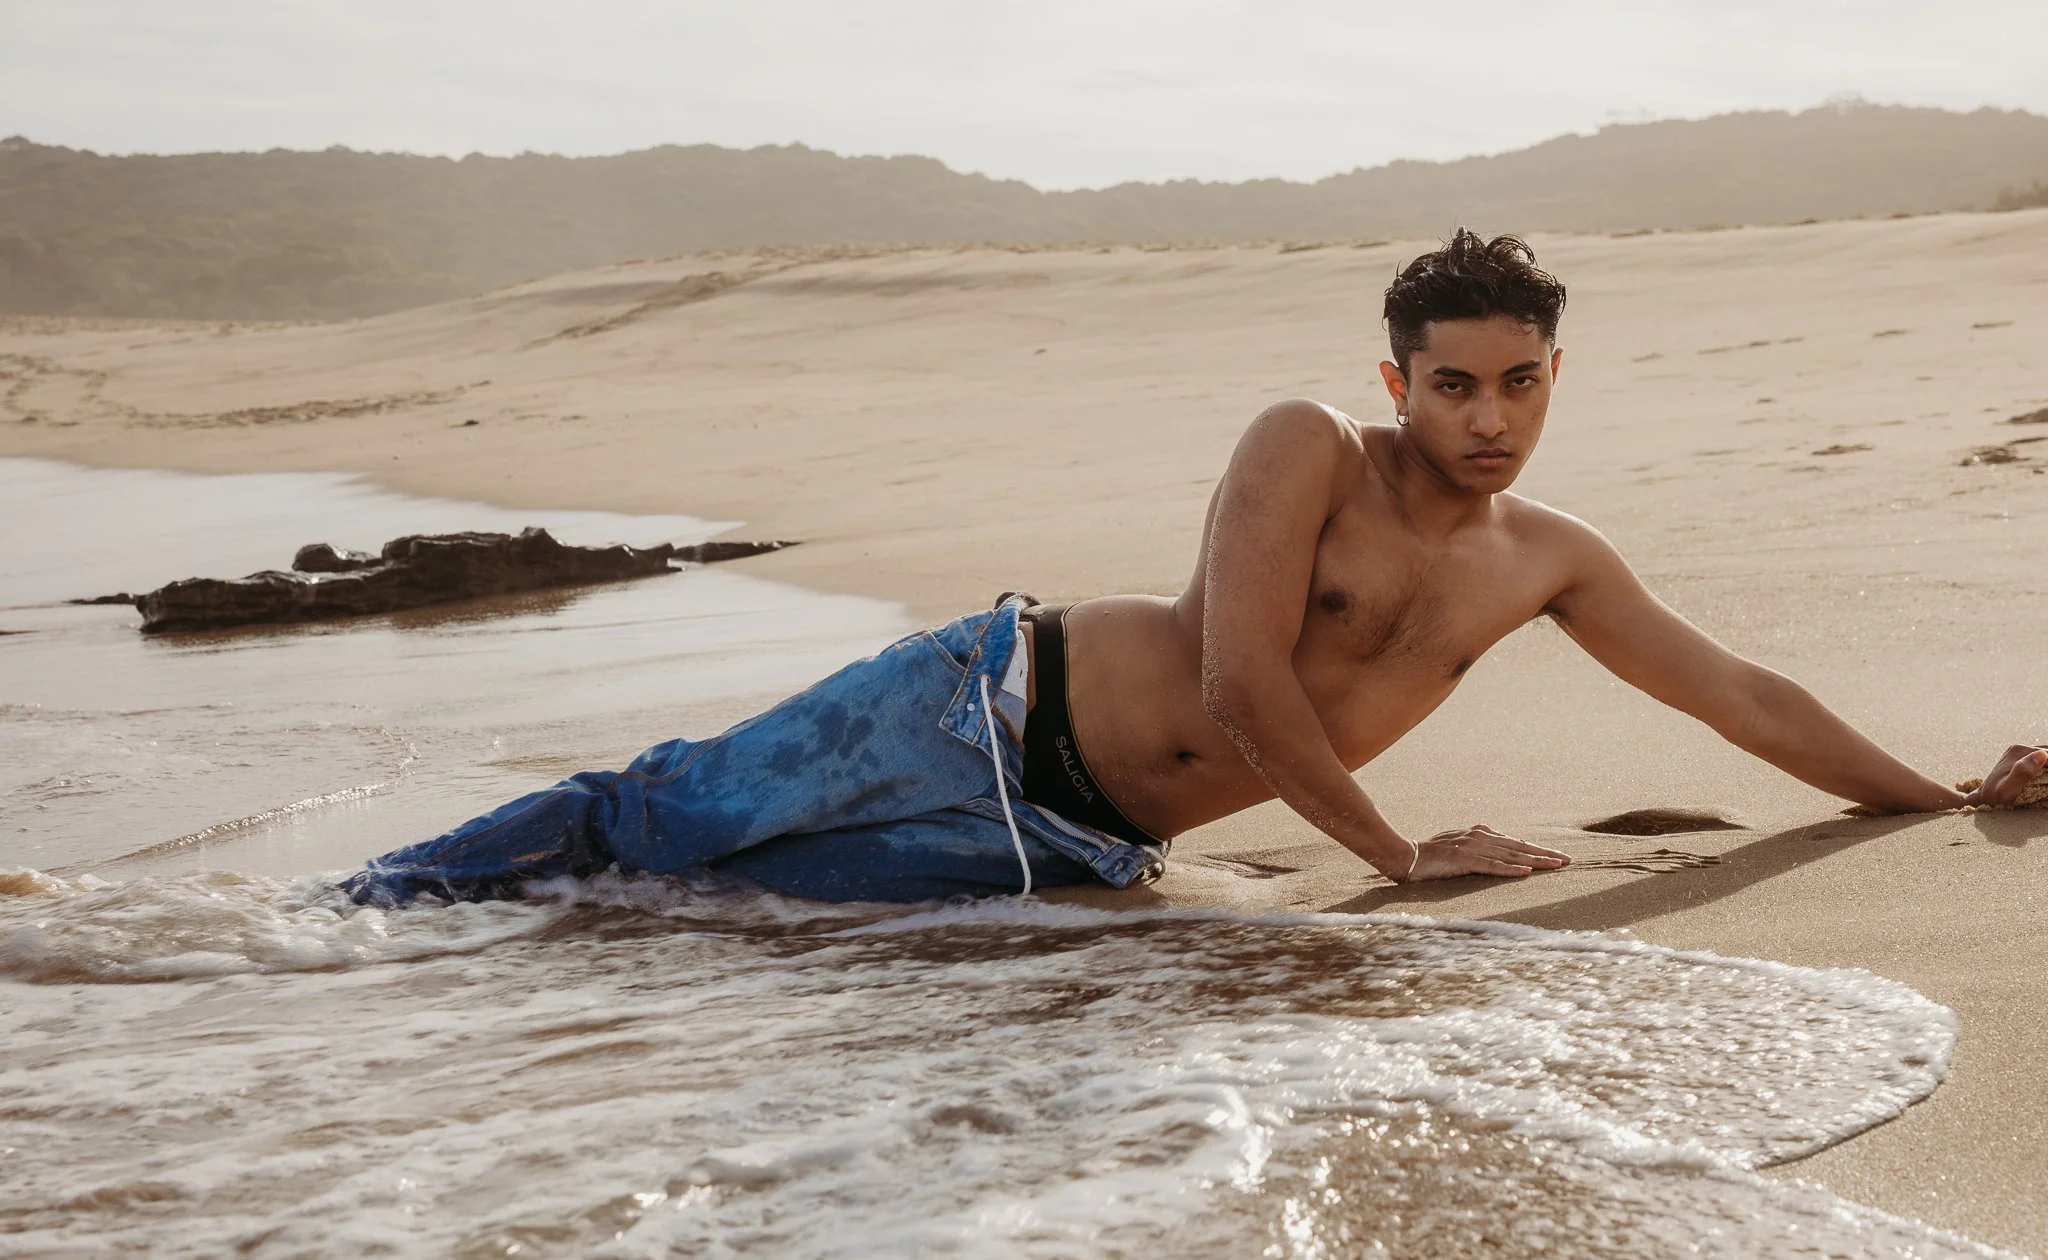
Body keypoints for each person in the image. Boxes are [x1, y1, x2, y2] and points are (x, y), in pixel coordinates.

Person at [342, 230, 2047, 907]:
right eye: (1452, 383)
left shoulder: (1551, 560)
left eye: (1519, 382)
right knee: (646, 826)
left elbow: (1741, 693)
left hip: (1085, 840)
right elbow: (1239, 680)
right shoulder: (1304, 440)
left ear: (1553, 379)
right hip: (977, 714)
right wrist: (1397, 855)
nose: (1488, 417)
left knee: (703, 925)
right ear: (1400, 382)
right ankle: (307, 938)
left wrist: (1945, 787)